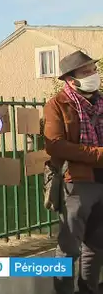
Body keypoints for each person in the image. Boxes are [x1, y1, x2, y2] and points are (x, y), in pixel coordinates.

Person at [44, 50, 103, 294]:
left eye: (93, 69)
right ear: (71, 78)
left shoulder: (101, 101)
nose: (93, 74)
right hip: (75, 184)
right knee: (69, 248)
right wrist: (99, 155)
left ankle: (88, 289)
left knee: (97, 245)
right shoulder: (57, 104)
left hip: (101, 183)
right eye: (86, 71)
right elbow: (55, 144)